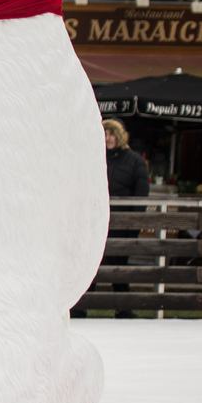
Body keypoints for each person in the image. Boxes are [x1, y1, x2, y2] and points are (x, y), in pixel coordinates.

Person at [74, 119, 149, 320]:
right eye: (105, 134)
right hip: (95, 223)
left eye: (112, 134)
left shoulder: (134, 161)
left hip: (122, 223)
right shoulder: (94, 158)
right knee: (92, 265)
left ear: (120, 136)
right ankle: (82, 307)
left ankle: (123, 308)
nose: (108, 138)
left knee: (119, 266)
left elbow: (141, 194)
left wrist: (133, 224)